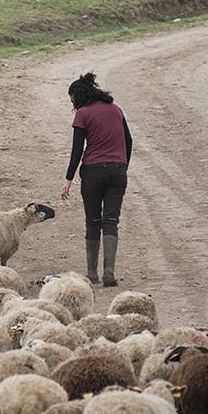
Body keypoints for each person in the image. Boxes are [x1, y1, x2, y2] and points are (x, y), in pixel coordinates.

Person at [60, 72, 132, 286]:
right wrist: (122, 166)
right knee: (111, 222)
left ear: (78, 96)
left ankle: (92, 275)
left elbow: (76, 151)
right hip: (118, 171)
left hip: (92, 172)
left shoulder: (82, 114)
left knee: (93, 222)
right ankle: (109, 272)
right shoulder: (116, 109)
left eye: (71, 98)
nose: (72, 103)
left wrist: (68, 179)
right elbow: (128, 140)